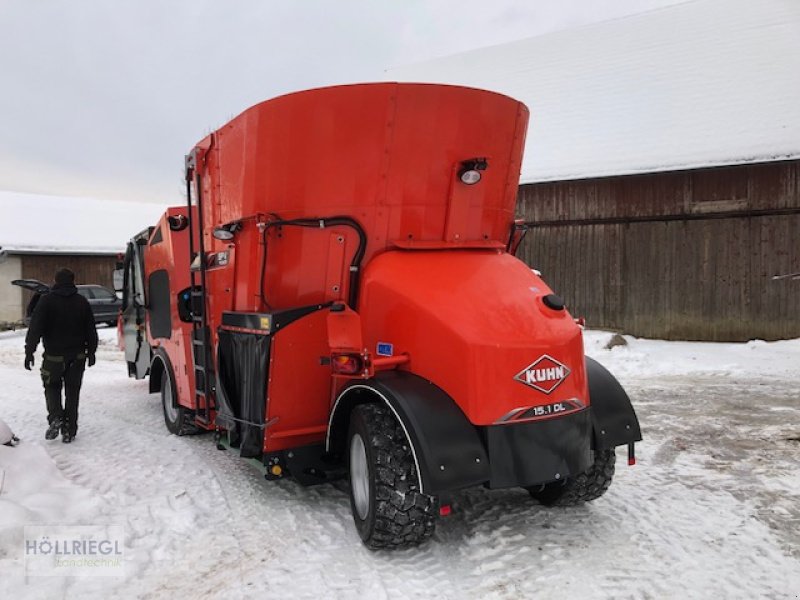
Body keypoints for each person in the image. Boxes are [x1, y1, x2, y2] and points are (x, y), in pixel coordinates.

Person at [24, 268, 98, 443]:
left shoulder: (46, 301)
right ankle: (69, 430)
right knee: (73, 393)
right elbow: (91, 329)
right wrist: (92, 352)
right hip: (77, 358)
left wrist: (29, 352)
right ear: (73, 281)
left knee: (52, 387)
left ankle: (56, 416)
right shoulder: (82, 302)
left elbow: (35, 328)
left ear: (55, 281)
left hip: (53, 358)